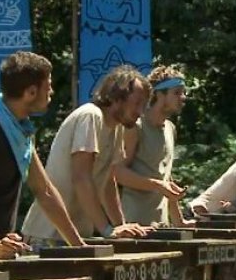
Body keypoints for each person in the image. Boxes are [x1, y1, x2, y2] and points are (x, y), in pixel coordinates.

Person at [0, 51, 85, 258]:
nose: (52, 92)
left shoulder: (21, 130)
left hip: (0, 250)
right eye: (48, 86)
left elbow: (44, 191)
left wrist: (80, 247)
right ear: (30, 92)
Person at [21, 65, 150, 245]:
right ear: (116, 97)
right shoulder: (90, 116)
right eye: (137, 103)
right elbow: (81, 177)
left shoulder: (117, 128)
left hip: (78, 235)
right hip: (48, 234)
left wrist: (122, 228)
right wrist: (107, 230)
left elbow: (108, 183)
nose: (140, 111)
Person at [115, 64, 194, 226]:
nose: (183, 97)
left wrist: (179, 222)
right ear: (159, 94)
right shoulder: (136, 127)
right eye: (177, 93)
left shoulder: (170, 129)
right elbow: (118, 173)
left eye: (183, 92)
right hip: (134, 224)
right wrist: (158, 185)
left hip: (161, 225)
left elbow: (165, 177)